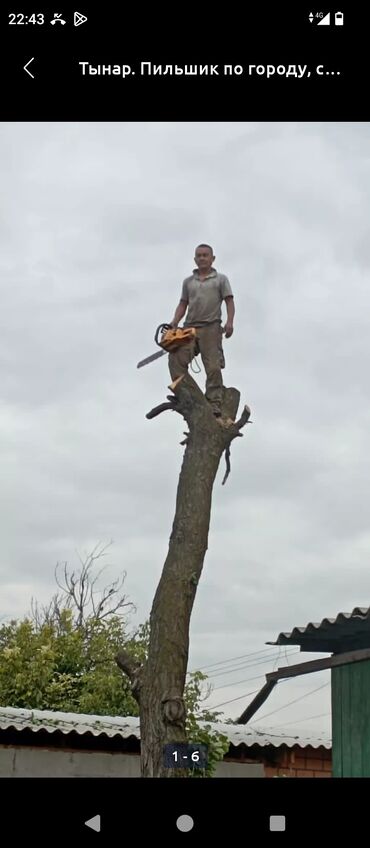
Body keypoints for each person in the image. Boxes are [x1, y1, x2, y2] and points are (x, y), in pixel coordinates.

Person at [168, 244, 235, 417]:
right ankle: (187, 396)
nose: (202, 258)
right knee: (176, 359)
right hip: (190, 327)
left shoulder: (220, 279)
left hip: (212, 327)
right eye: (199, 255)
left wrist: (230, 322)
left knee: (213, 367)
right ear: (195, 259)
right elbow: (183, 303)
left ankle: (214, 402)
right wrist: (175, 322)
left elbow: (229, 301)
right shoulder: (188, 282)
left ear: (212, 258)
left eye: (206, 255)